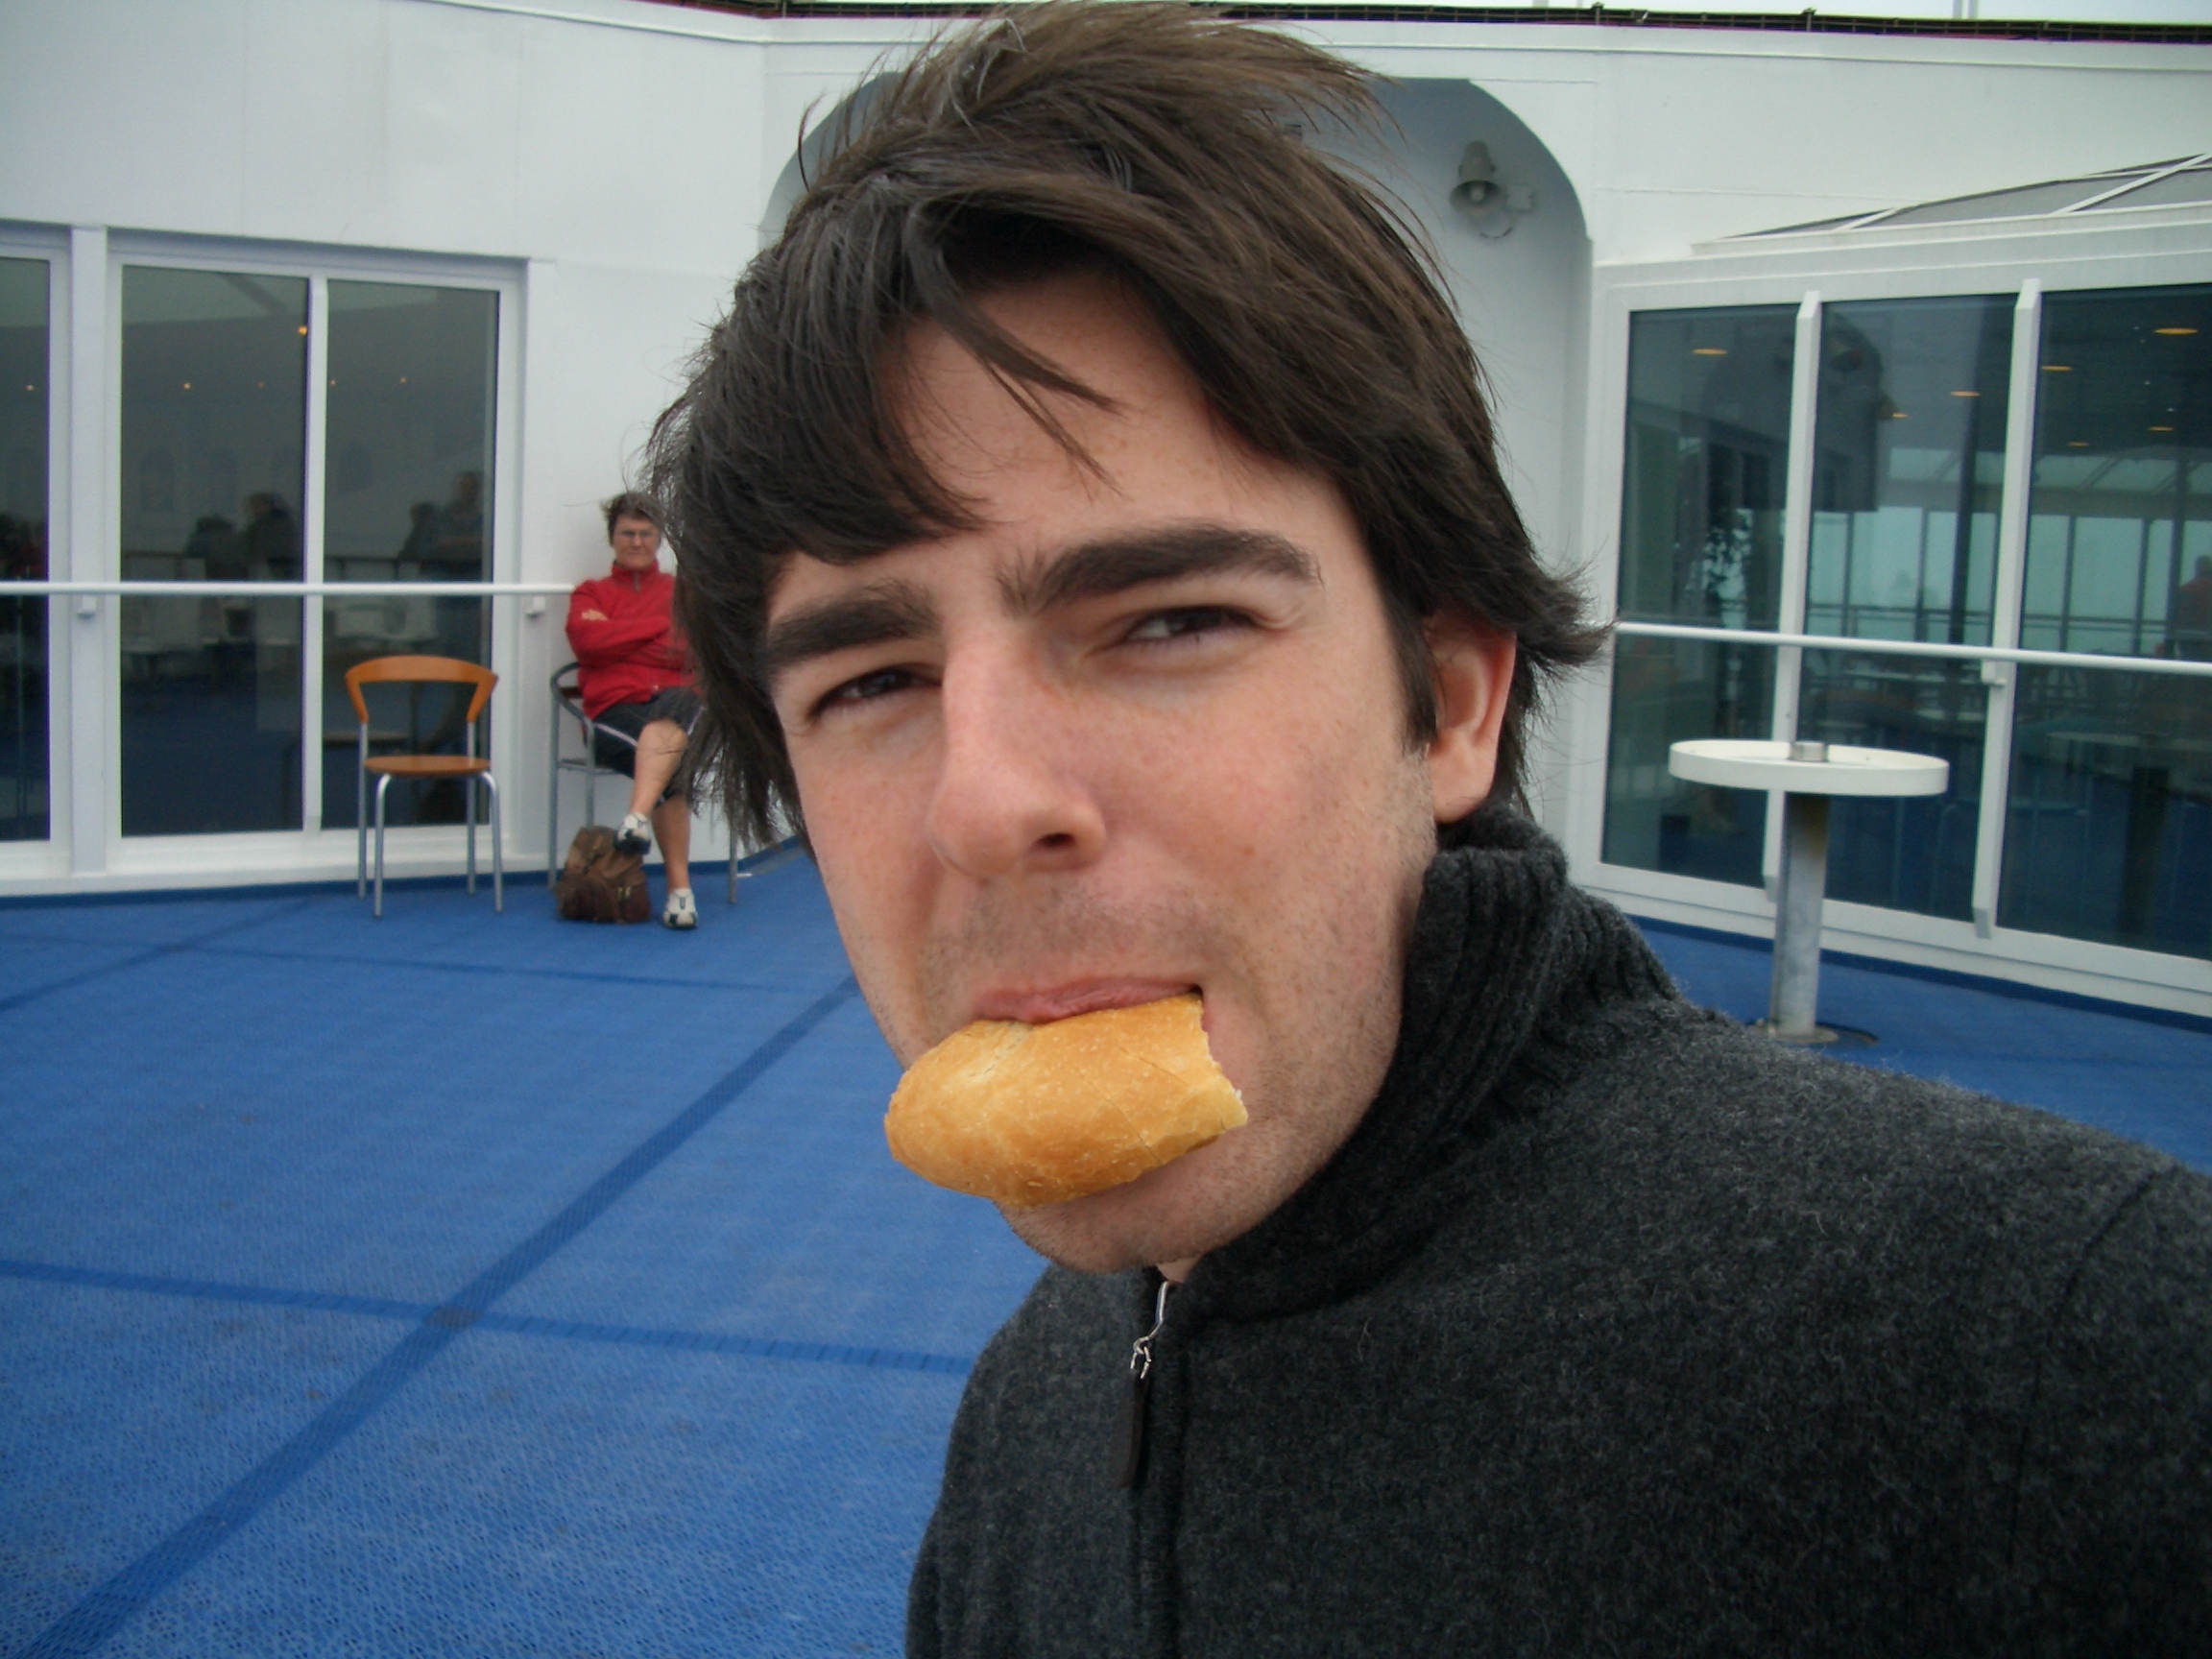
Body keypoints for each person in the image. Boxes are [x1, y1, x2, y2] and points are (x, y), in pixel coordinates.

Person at [649, 7, 2212, 1651]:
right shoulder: (1028, 1407)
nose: (981, 800)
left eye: (1168, 621)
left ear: (1451, 699)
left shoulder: (2059, 1353)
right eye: (874, 677)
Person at [565, 491, 701, 929]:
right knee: (671, 767)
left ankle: (637, 818)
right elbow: (587, 643)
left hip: (676, 703)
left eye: (646, 533)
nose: (637, 542)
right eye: (628, 533)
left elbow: (691, 653)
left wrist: (619, 637)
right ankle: (680, 893)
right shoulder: (592, 592)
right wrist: (659, 628)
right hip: (612, 713)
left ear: (659, 539)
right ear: (613, 539)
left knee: (678, 717)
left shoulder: (684, 593)